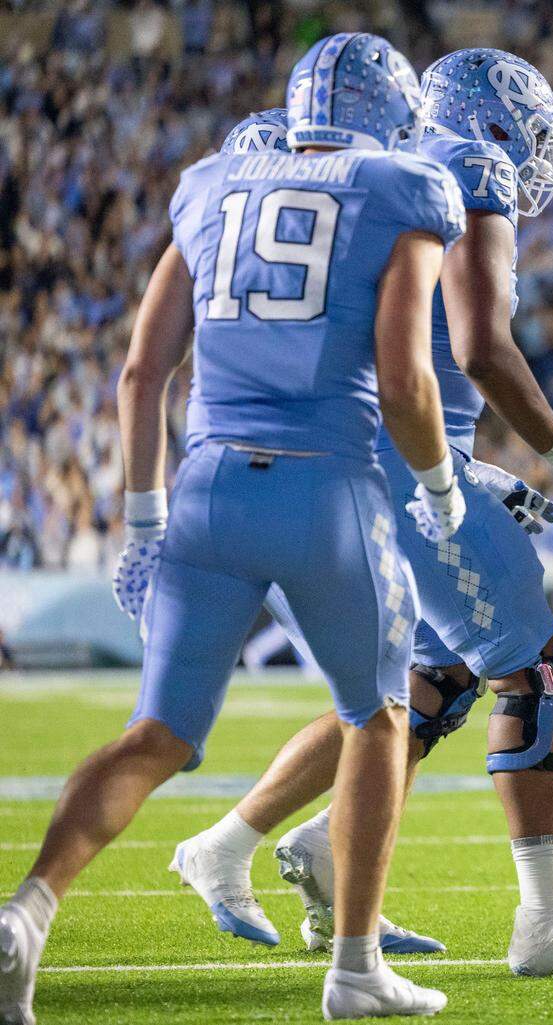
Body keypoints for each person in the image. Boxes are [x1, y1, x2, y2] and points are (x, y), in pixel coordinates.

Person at [1, 32, 469, 1022]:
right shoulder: (405, 187)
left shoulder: (214, 180)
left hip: (207, 485)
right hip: (326, 485)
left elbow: (139, 375)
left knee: (156, 733)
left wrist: (140, 519)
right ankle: (354, 967)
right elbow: (404, 374)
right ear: (392, 117)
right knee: (379, 715)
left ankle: (26, 914)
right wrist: (438, 486)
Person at [173, 51, 553, 977]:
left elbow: (390, 352)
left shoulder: (377, 168)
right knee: (535, 672)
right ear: (499, 119)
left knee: (424, 685)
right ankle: (548, 921)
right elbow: (477, 348)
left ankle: (266, 845)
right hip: (396, 469)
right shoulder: (467, 170)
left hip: (348, 457)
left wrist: (470, 468)